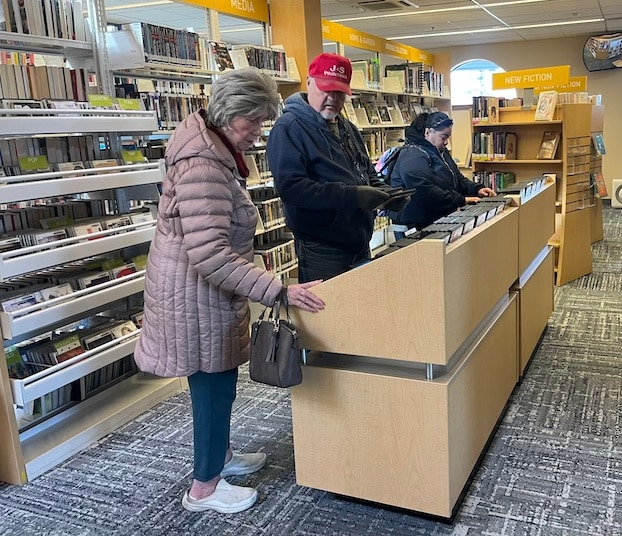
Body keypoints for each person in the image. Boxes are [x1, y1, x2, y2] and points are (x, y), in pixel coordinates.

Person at [134, 68, 326, 515]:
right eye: (252, 121)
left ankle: (219, 459)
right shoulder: (203, 165)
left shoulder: (213, 148)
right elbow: (210, 255)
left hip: (201, 295)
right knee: (211, 388)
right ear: (228, 113)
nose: (258, 132)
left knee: (219, 382)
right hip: (194, 298)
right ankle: (204, 488)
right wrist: (278, 290)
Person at [267, 53, 408, 281]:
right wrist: (353, 196)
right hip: (321, 250)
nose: (332, 98)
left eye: (340, 92)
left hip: (359, 242)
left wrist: (386, 194)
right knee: (328, 305)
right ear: (309, 82)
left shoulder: (347, 127)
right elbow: (291, 188)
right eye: (326, 89)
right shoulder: (289, 128)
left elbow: (366, 172)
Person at [388, 111, 496, 239]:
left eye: (448, 137)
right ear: (428, 133)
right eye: (443, 137)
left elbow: (457, 178)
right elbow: (424, 190)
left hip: (432, 218)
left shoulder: (440, 152)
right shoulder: (412, 155)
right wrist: (460, 200)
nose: (446, 142)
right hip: (413, 223)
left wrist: (476, 189)